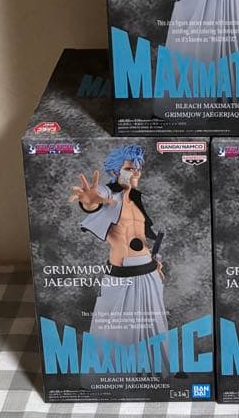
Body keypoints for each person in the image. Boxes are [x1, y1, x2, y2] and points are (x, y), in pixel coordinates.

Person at [71, 145, 168, 373]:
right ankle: (112, 379)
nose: (136, 172)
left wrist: (156, 264)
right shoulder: (108, 195)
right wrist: (88, 201)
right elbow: (94, 200)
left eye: (139, 168)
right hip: (121, 276)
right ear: (116, 171)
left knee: (155, 328)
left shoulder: (136, 200)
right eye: (130, 168)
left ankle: (155, 375)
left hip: (149, 272)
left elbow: (139, 237)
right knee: (112, 332)